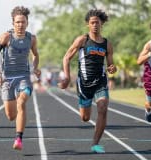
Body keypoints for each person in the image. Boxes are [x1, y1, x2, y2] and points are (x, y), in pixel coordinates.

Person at [58, 9, 117, 153]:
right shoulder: (82, 40)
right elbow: (66, 57)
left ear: (102, 23)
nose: (95, 25)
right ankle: (85, 107)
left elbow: (110, 64)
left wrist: (112, 68)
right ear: (88, 25)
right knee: (85, 117)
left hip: (100, 82)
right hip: (84, 83)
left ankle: (95, 144)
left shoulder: (107, 44)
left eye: (97, 22)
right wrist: (67, 77)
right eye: (92, 22)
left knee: (103, 108)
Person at [0, 6, 41, 150]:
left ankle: (19, 138)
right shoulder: (6, 37)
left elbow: (36, 55)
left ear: (27, 23)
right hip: (7, 79)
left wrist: (35, 67)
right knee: (11, 115)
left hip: (24, 76)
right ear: (13, 23)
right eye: (17, 22)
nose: (20, 24)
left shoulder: (31, 39)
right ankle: (17, 123)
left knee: (21, 102)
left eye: (23, 22)